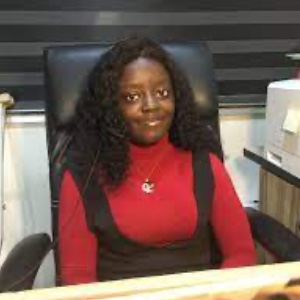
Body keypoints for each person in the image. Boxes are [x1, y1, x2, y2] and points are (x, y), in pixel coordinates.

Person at [58, 36, 256, 286]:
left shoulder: (203, 160)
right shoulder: (83, 174)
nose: (151, 106)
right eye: (132, 97)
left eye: (162, 93)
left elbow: (241, 254)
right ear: (110, 106)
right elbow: (77, 278)